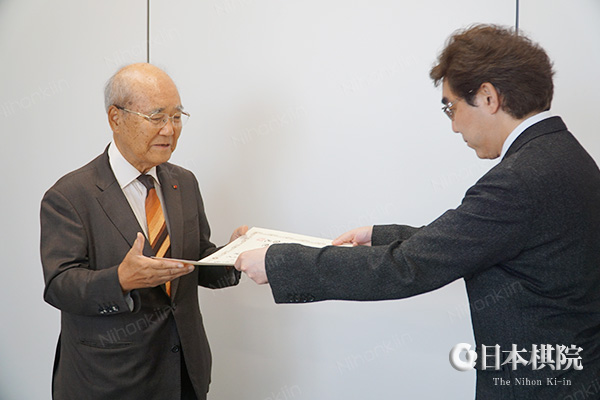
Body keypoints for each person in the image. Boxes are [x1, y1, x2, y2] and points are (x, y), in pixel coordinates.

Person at [235, 24, 600, 398]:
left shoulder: (518, 179)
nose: (454, 126)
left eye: (451, 107)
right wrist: (382, 237)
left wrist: (278, 263)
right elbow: (478, 239)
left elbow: (407, 268)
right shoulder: (563, 155)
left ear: (488, 97)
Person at [41, 63, 247, 400]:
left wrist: (234, 255)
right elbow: (59, 286)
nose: (169, 130)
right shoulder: (70, 195)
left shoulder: (184, 182)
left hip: (183, 373)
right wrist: (120, 280)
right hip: (110, 380)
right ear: (116, 118)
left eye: (177, 117)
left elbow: (195, 259)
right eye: (156, 117)